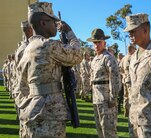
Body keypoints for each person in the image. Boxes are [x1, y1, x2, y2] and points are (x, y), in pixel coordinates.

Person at [16, 2, 82, 137]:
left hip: (31, 111)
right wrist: (69, 31)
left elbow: (21, 87)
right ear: (43, 23)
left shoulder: (26, 50)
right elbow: (77, 55)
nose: (56, 25)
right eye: (53, 21)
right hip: (49, 115)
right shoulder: (48, 46)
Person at [87, 28, 120, 138]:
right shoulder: (95, 59)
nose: (96, 45)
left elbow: (115, 79)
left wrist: (113, 97)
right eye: (94, 43)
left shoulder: (108, 58)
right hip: (96, 99)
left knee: (109, 131)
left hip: (106, 100)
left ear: (104, 43)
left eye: (99, 42)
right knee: (100, 130)